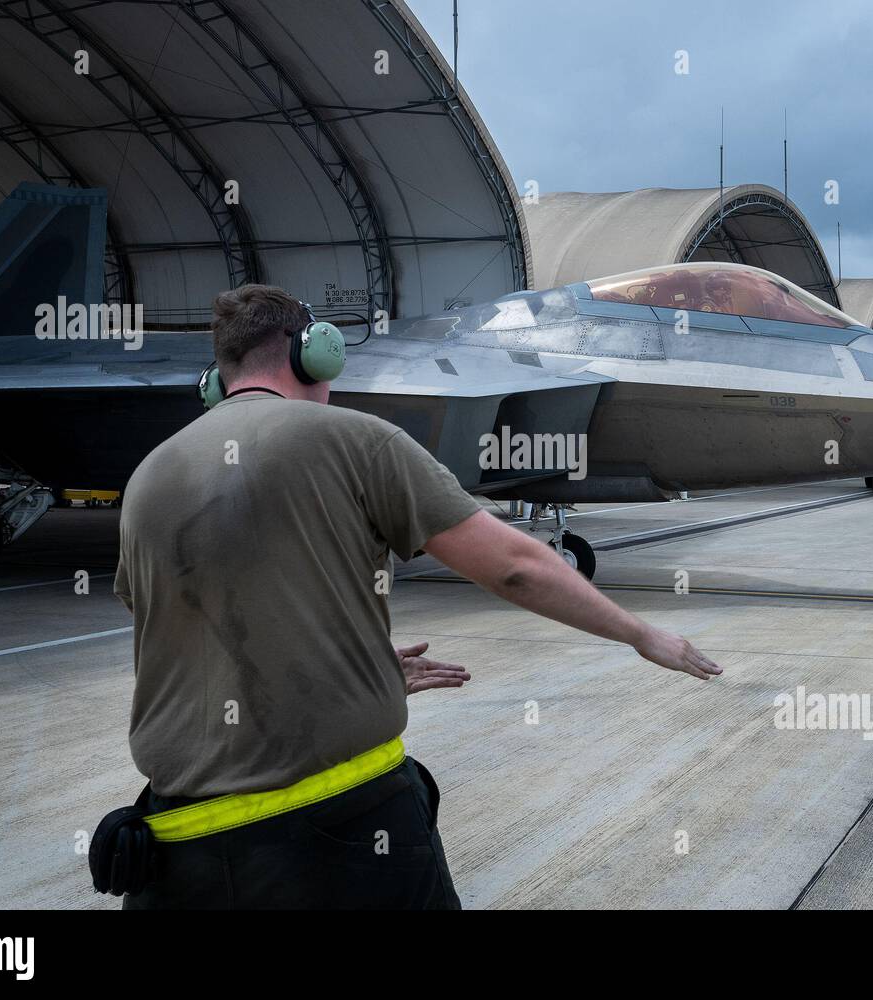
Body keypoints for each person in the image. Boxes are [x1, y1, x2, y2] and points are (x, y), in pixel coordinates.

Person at [113, 284, 721, 910]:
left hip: (176, 852)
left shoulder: (147, 477)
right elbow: (514, 568)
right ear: (312, 355)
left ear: (220, 374)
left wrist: (344, 676)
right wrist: (642, 634)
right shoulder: (354, 440)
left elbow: (192, 640)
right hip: (337, 834)